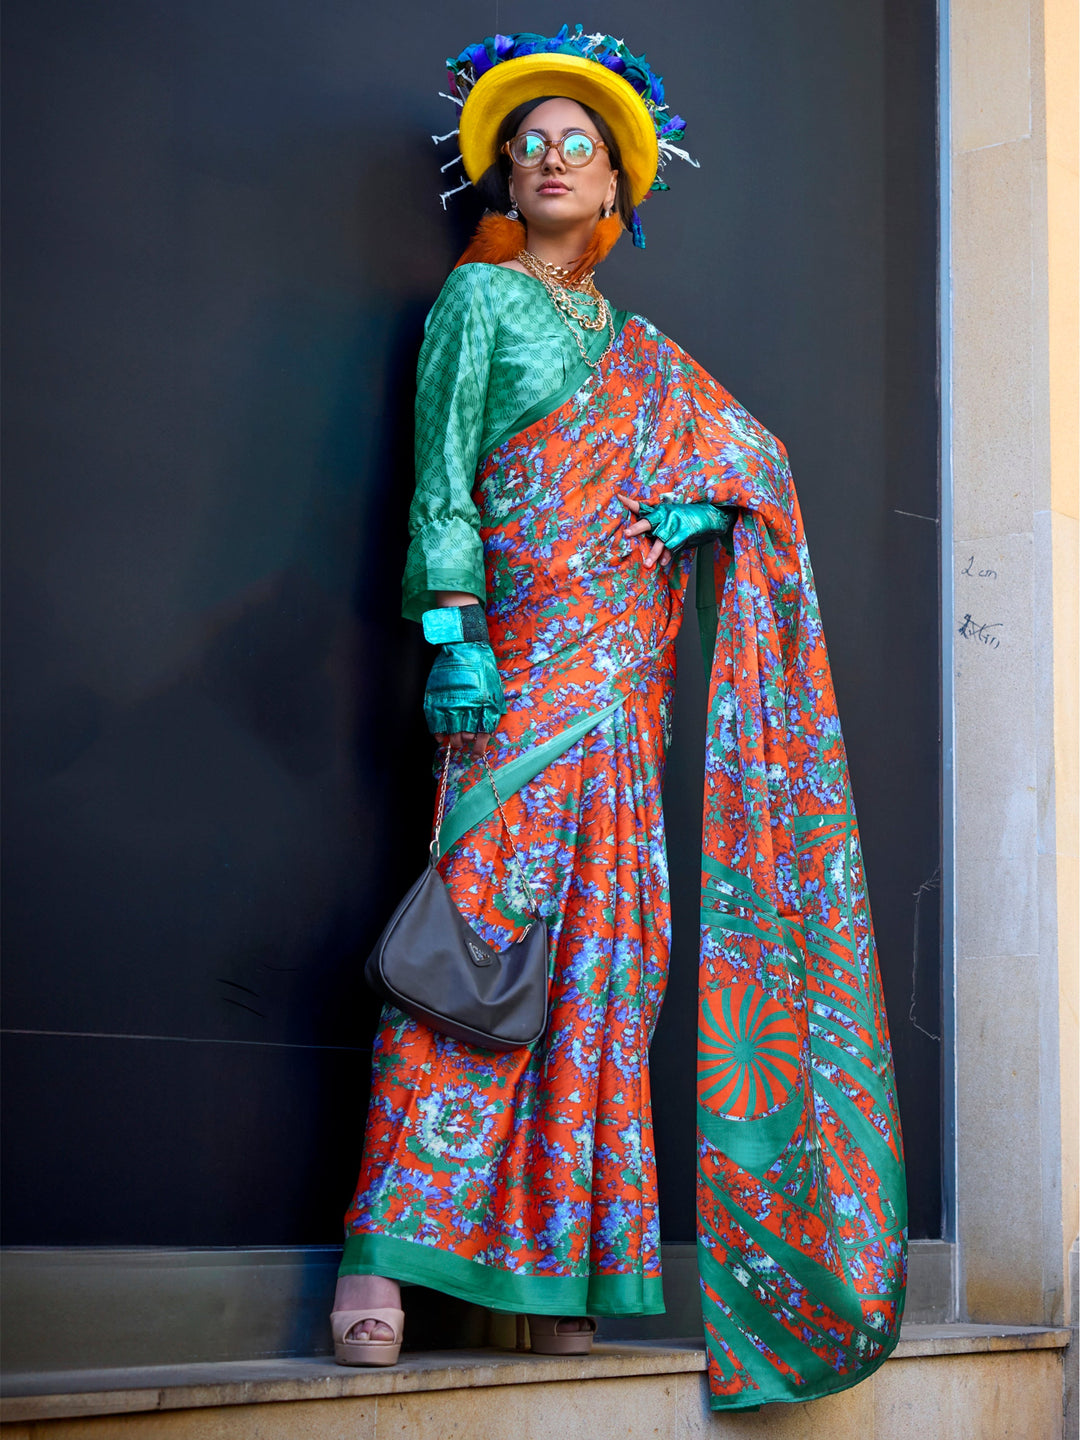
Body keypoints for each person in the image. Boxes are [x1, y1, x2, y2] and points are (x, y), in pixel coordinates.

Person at [332, 27, 907, 1413]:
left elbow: (751, 460)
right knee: (478, 943)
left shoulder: (641, 354)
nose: (545, 157)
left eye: (572, 143)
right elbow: (443, 472)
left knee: (605, 969)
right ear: (503, 177)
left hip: (625, 697)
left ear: (619, 185)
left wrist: (711, 506)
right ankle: (378, 1262)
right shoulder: (477, 307)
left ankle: (562, 1268)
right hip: (521, 675)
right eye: (524, 143)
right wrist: (452, 627)